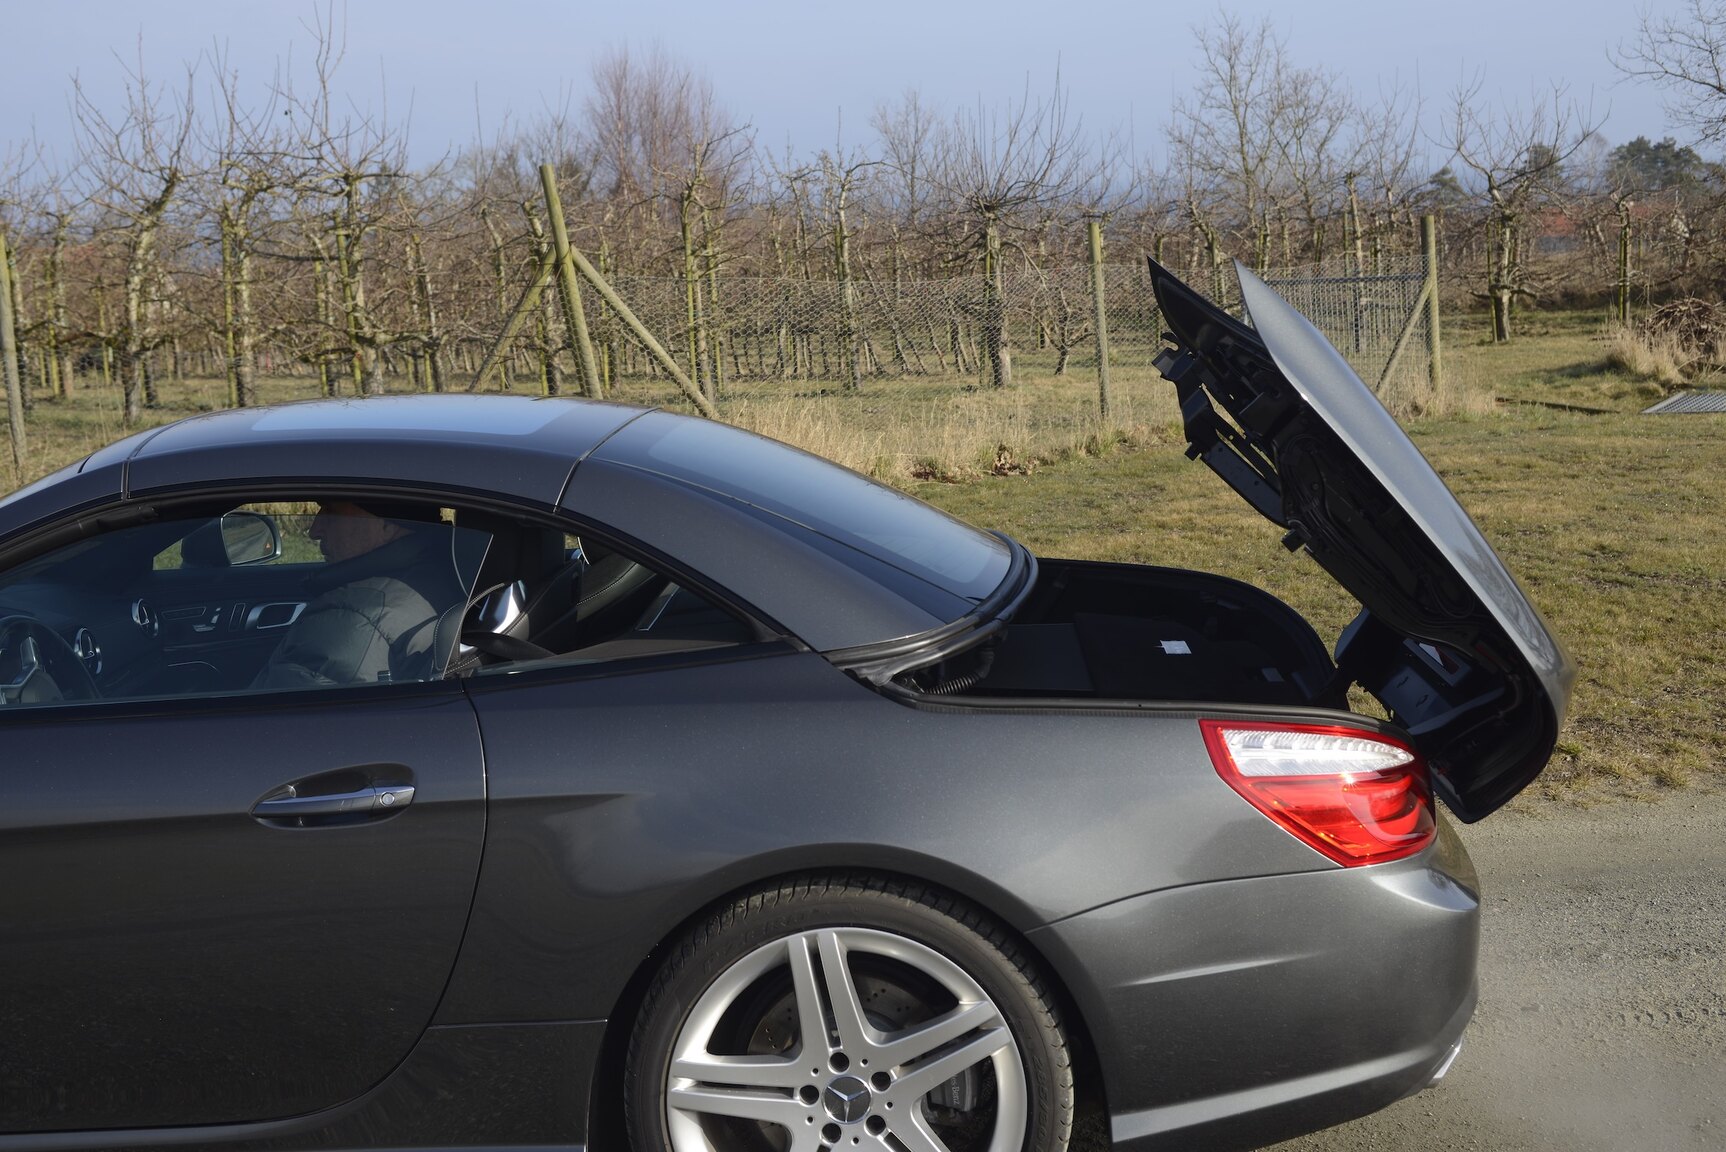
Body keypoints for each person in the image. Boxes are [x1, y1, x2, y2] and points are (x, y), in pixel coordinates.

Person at [252, 500, 462, 689]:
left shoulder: (348, 620)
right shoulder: (440, 578)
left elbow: (278, 717)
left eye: (331, 511)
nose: (314, 531)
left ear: (388, 524)